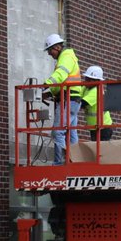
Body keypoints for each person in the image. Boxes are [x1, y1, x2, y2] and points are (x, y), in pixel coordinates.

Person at [42, 33, 83, 164]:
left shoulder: (65, 57)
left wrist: (46, 84)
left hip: (68, 100)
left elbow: (60, 75)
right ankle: (74, 161)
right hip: (72, 99)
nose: (49, 54)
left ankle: (59, 164)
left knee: (57, 132)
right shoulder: (68, 56)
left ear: (58, 47)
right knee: (71, 134)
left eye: (50, 50)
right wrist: (50, 93)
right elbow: (62, 82)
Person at [80, 65, 113, 141]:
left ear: (97, 81)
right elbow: (77, 96)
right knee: (96, 150)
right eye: (86, 79)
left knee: (100, 150)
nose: (86, 81)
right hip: (94, 126)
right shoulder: (85, 88)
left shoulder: (97, 91)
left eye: (89, 80)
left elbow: (82, 103)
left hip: (104, 127)